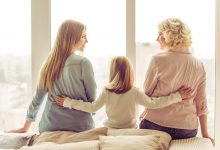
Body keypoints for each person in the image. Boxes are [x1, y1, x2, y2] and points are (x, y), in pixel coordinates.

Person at [55, 56, 192, 129]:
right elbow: (154, 104)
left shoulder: (107, 90)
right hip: (130, 130)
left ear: (112, 72)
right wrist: (178, 96)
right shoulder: (134, 91)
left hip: (109, 130)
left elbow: (92, 107)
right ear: (129, 72)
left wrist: (68, 102)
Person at [8, 20, 97, 133]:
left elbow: (37, 99)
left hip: (50, 127)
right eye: (84, 36)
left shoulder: (48, 64)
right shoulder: (84, 63)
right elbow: (92, 101)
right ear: (72, 37)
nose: (87, 41)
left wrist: (25, 127)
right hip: (81, 127)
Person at [139, 18, 214, 144]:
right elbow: (202, 104)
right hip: (186, 130)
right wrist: (205, 133)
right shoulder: (199, 65)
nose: (157, 39)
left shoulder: (157, 59)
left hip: (155, 125)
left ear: (169, 36)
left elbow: (146, 95)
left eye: (160, 34)